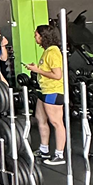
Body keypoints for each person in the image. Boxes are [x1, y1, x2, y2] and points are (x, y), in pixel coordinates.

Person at [25, 25, 66, 166]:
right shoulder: (47, 51)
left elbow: (57, 75)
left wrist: (37, 70)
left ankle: (59, 155)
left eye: (36, 35)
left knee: (56, 122)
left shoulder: (53, 52)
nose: (35, 37)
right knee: (40, 119)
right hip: (44, 90)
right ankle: (44, 150)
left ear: (44, 37)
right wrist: (36, 68)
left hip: (53, 91)